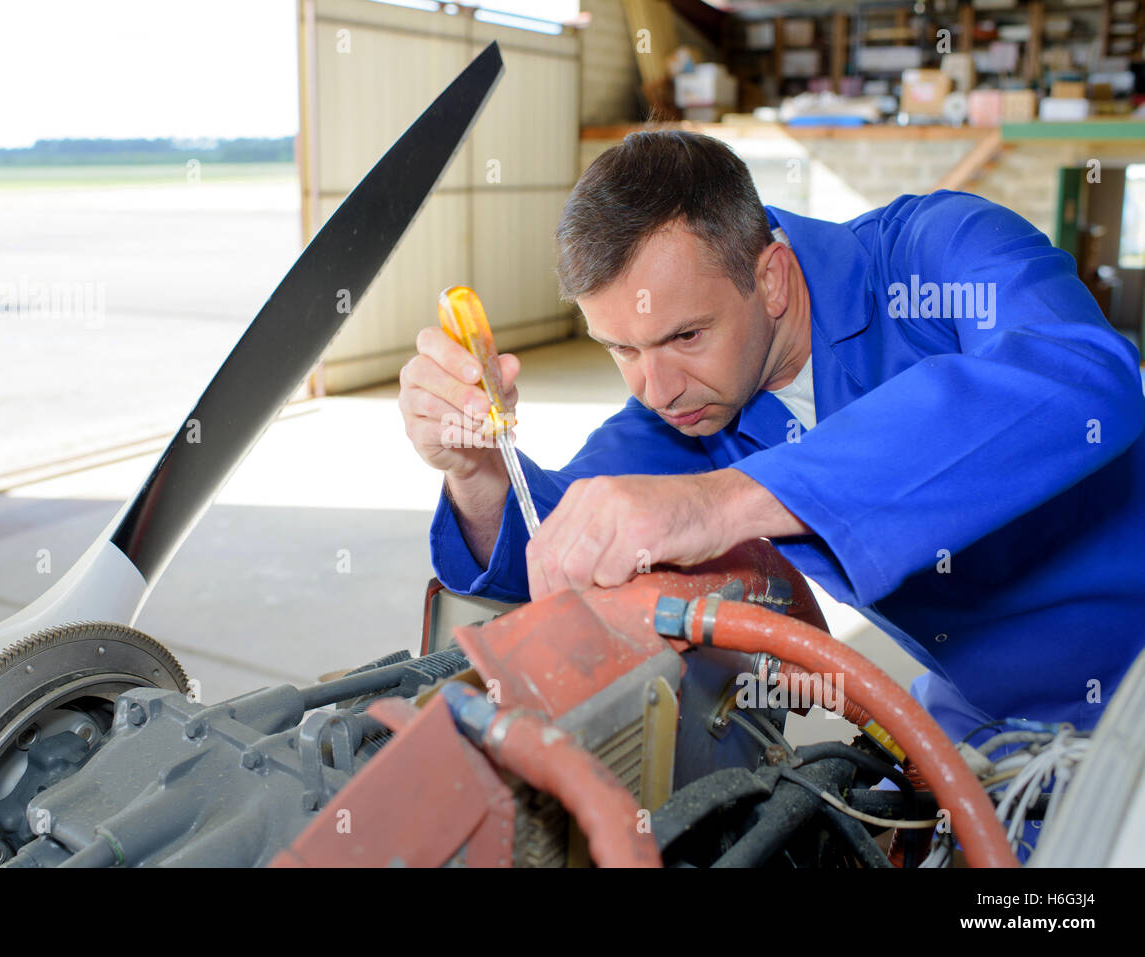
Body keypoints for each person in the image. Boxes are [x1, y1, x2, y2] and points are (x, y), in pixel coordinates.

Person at [397, 130, 1145, 747]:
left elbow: (1083, 378)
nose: (654, 390)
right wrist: (478, 469)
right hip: (988, 710)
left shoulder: (940, 253)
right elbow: (559, 539)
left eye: (685, 334)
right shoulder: (692, 410)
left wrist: (729, 500)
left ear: (775, 278)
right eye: (621, 350)